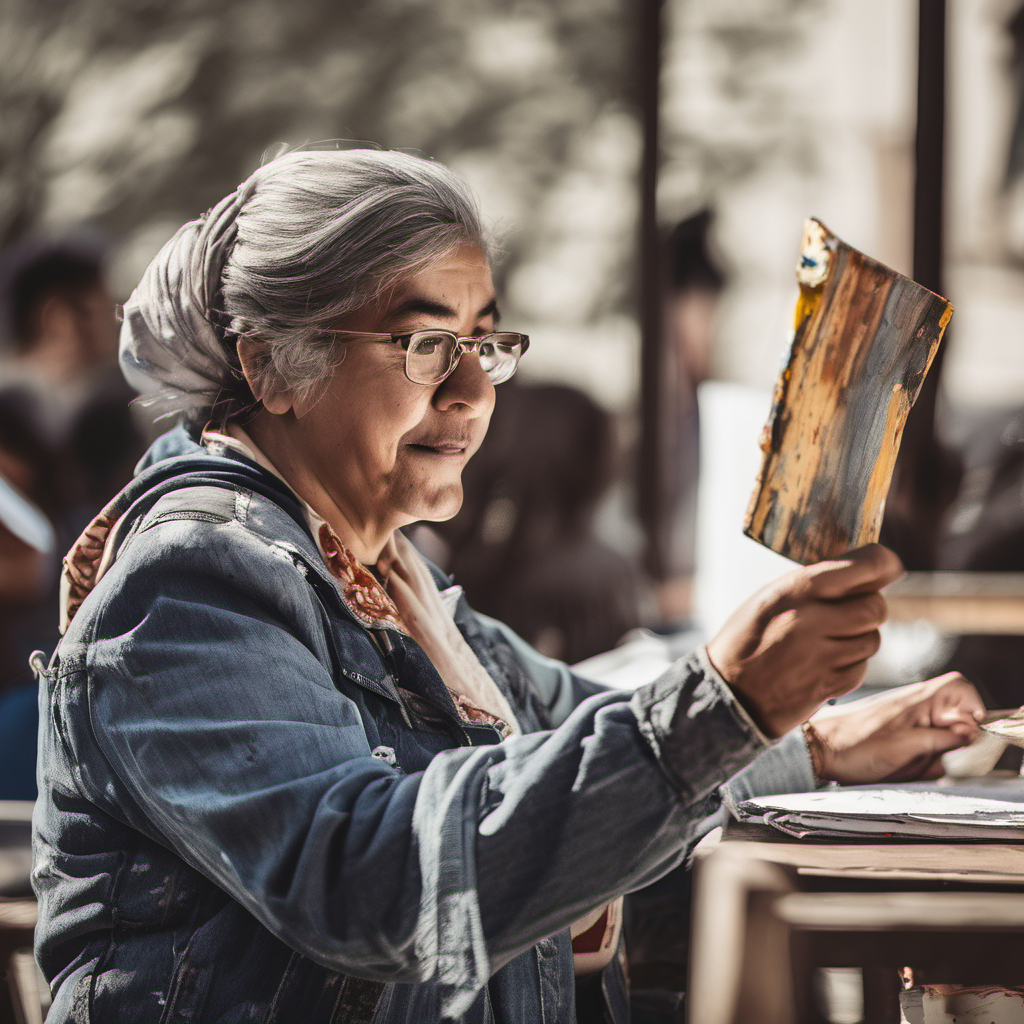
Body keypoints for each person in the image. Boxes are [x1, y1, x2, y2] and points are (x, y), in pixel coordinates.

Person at [32, 149, 985, 1024]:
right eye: (423, 343)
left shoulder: (393, 581)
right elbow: (367, 880)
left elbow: (568, 727)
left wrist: (816, 742)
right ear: (272, 364)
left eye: (484, 342)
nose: (474, 392)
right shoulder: (189, 584)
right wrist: (726, 705)